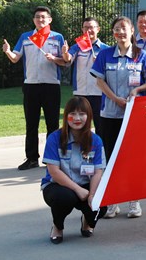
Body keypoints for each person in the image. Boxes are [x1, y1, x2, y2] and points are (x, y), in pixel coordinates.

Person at [90, 16, 146, 218]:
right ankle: (112, 201)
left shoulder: (141, 55)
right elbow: (99, 82)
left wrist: (137, 90)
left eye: (124, 28)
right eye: (117, 29)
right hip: (109, 114)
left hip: (133, 116)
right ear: (113, 33)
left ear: (131, 31)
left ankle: (134, 200)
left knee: (133, 157)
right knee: (111, 157)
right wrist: (114, 98)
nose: (120, 32)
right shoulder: (105, 55)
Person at [3, 6, 66, 171]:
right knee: (31, 124)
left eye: (44, 17)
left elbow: (65, 61)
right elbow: (15, 58)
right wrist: (8, 52)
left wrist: (55, 59)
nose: (40, 19)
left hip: (51, 85)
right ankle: (31, 158)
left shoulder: (57, 37)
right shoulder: (26, 37)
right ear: (34, 20)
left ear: (50, 20)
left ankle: (52, 159)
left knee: (52, 124)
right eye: (37, 17)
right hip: (31, 85)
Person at [41, 96, 107, 244]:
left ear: (88, 117)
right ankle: (58, 226)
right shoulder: (54, 138)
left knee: (100, 204)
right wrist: (78, 190)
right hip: (59, 185)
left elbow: (98, 172)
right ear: (66, 116)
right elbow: (54, 171)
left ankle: (87, 221)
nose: (77, 118)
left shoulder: (96, 140)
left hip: (87, 185)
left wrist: (92, 195)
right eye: (73, 114)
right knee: (64, 198)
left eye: (82, 114)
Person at [63, 17, 109, 132]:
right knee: (80, 126)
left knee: (100, 126)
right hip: (80, 92)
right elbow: (68, 59)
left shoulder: (106, 49)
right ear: (82, 30)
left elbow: (110, 72)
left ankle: (100, 144)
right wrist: (65, 52)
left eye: (91, 27)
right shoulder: (77, 47)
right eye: (86, 27)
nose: (88, 30)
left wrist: (99, 63)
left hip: (99, 93)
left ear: (98, 29)